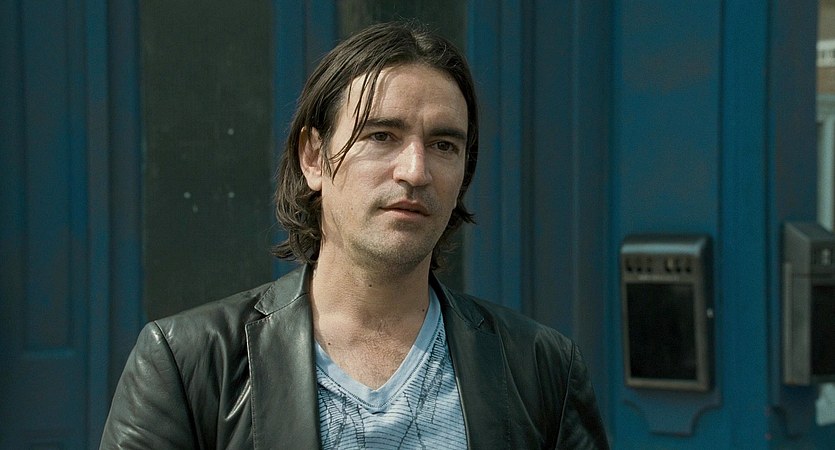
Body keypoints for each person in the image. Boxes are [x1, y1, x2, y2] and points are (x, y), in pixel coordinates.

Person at [100, 21, 609, 449]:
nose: (415, 170)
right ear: (313, 157)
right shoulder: (189, 363)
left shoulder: (541, 368)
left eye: (444, 145)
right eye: (381, 136)